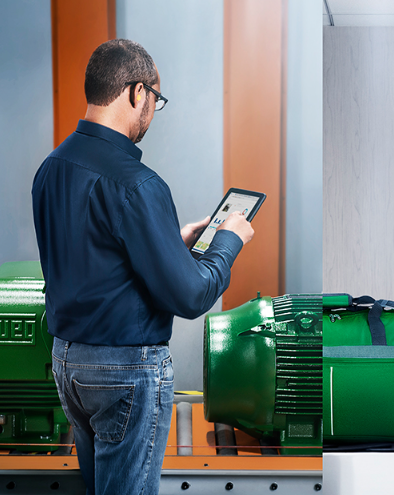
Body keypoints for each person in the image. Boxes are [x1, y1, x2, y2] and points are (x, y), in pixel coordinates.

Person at [31, 39, 253, 495]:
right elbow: (191, 295)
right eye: (156, 98)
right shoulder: (137, 184)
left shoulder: (51, 168)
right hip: (125, 371)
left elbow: (94, 259)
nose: (153, 110)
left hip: (68, 363)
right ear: (137, 92)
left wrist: (172, 244)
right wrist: (228, 240)